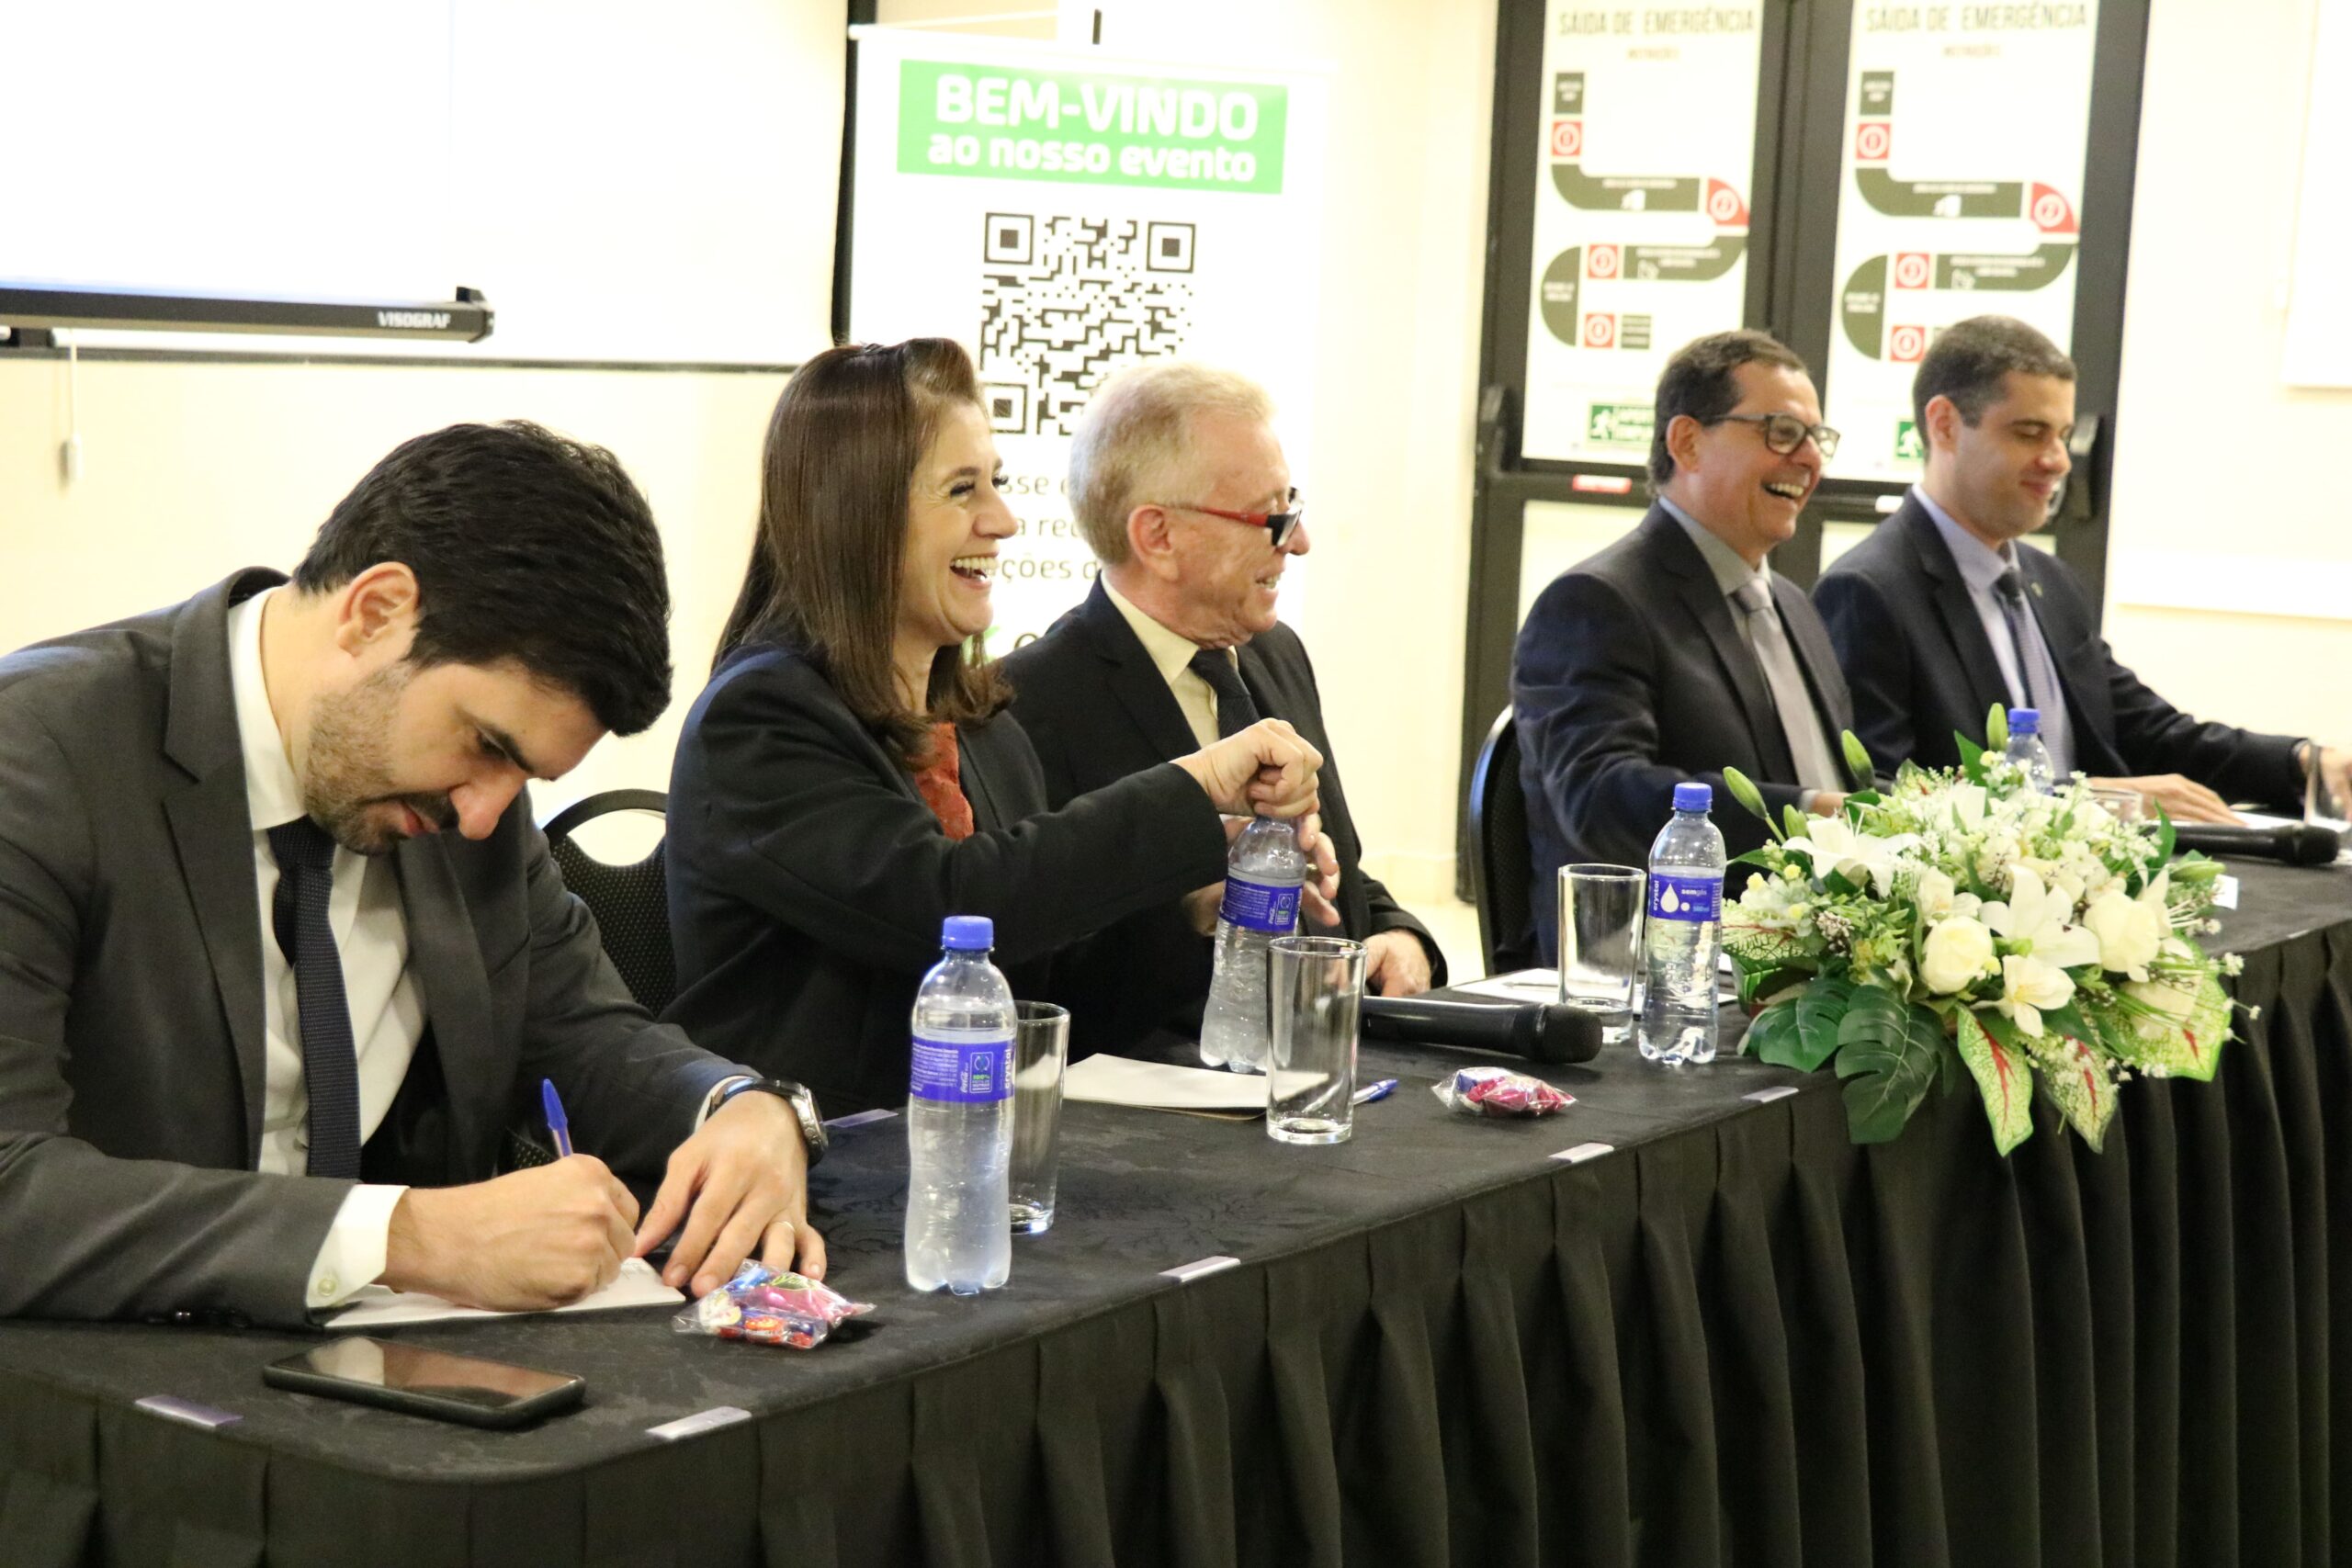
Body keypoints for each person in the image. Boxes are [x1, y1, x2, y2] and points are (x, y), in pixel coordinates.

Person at [0, 422, 823, 1328]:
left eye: (523, 781)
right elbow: (12, 1186)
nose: (481, 815)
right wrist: (398, 1235)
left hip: (379, 1398)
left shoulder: (465, 805)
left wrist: (741, 1107)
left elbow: (584, 1038)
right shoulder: (41, 757)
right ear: (375, 612)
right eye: (484, 746)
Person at [662, 340, 1334, 1114]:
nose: (1004, 520)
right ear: (859, 515)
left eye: (999, 483)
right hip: (815, 1181)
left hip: (970, 1160)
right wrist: (1195, 785)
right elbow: (950, 909)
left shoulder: (984, 728)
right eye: (961, 490)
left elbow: (1044, 976)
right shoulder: (760, 723)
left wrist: (1189, 899)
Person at [1000, 360, 1443, 1056]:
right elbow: (1040, 987)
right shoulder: (1028, 707)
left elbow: (1331, 874)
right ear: (1159, 537)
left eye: (1292, 506)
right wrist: (1194, 911)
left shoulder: (1275, 653)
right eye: (1272, 517)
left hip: (1329, 1083)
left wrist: (1400, 937)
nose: (1299, 541)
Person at [1813, 315, 2350, 822]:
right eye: (2029, 433)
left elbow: (2148, 732)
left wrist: (2304, 764)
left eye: (2063, 436)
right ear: (1945, 425)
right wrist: (2093, 800)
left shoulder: (2052, 582)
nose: (2059, 460)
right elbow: (1883, 797)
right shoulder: (1868, 591)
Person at [1512, 330, 1858, 959]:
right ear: (1687, 441)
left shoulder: (1796, 607)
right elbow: (1599, 794)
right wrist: (1810, 817)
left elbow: (1837, 782)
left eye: (1817, 438)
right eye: (1782, 432)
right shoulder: (1597, 601)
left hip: (1821, 959)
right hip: (1663, 971)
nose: (1810, 459)